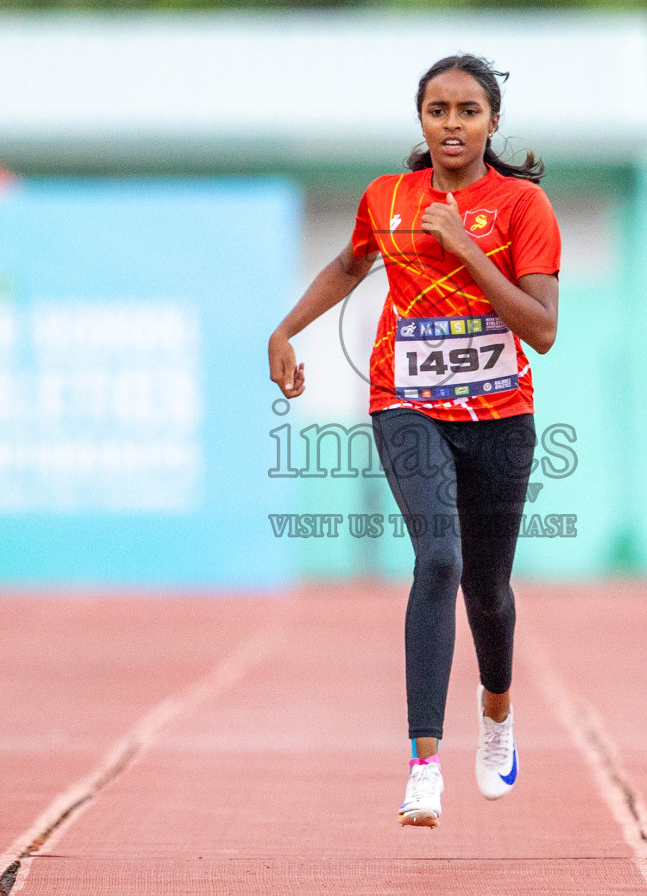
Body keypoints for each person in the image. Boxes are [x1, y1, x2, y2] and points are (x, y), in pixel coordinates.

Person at [268, 53, 560, 828]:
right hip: (407, 403)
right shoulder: (387, 198)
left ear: (493, 122)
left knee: (488, 593)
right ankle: (423, 765)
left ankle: (495, 716)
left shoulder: (524, 207)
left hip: (499, 416)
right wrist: (286, 329)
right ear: (421, 120)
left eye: (469, 110)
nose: (453, 124)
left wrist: (465, 248)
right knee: (439, 557)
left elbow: (543, 330)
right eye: (438, 110)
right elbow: (347, 265)